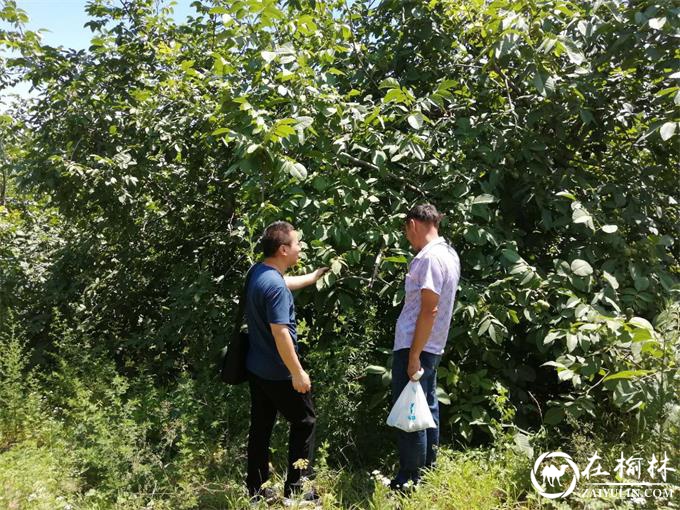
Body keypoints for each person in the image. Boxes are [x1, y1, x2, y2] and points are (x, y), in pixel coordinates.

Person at [245, 221, 327, 506]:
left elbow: (281, 283)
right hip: (279, 372)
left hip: (256, 368)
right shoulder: (275, 288)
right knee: (305, 422)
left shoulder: (259, 272)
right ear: (283, 249)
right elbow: (282, 335)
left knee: (261, 428)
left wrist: (313, 276)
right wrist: (298, 373)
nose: (300, 247)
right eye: (297, 243)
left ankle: (256, 491)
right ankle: (298, 490)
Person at [390, 204, 461, 490]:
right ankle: (429, 471)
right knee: (427, 406)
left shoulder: (429, 258)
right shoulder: (449, 254)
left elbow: (429, 309)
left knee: (410, 411)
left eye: (407, 233)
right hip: (433, 344)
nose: (409, 239)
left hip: (416, 345)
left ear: (413, 224)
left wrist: (414, 354)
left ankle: (410, 478)